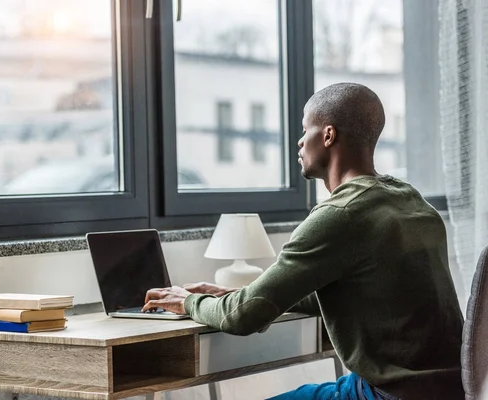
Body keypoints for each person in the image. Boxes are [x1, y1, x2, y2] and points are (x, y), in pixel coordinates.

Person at [142, 83, 464, 400]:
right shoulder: (410, 200)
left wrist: (187, 301)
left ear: (327, 135)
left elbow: (241, 318)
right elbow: (353, 290)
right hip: (451, 388)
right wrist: (245, 294)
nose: (299, 142)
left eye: (305, 129)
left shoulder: (340, 214)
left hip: (387, 394)